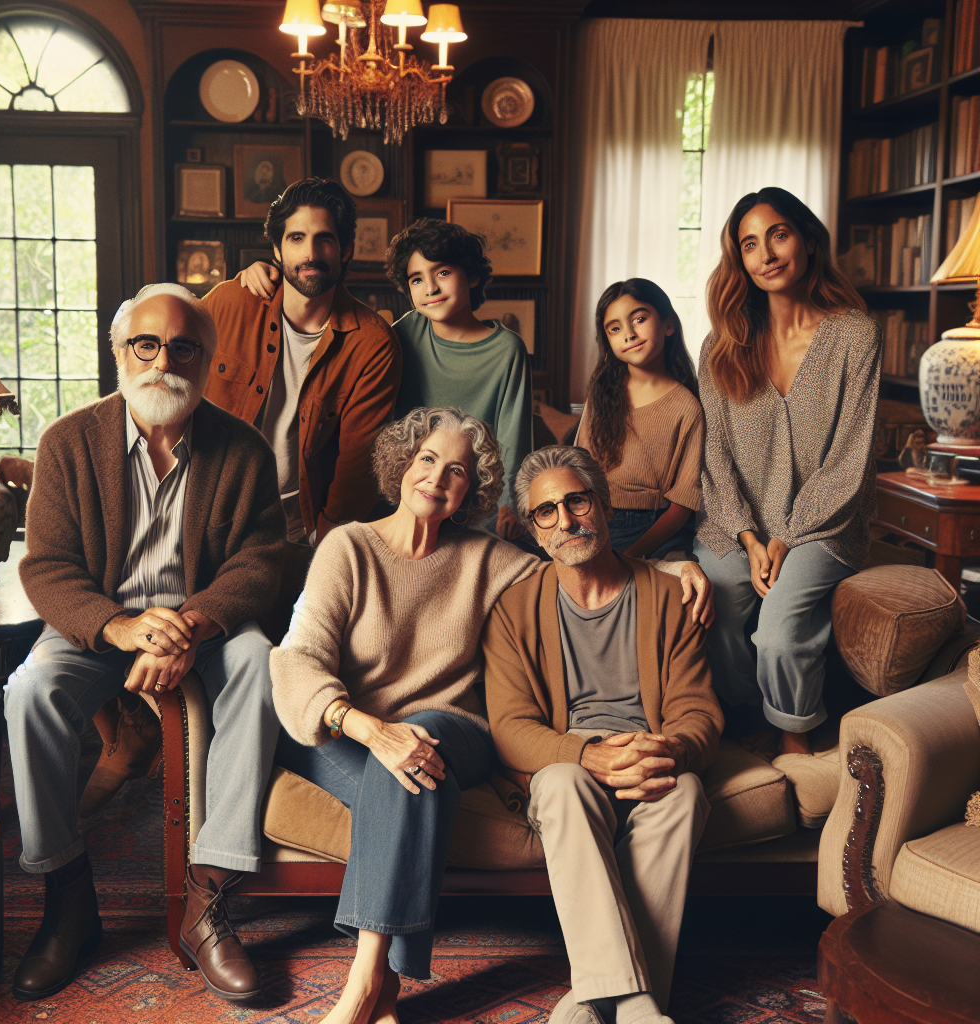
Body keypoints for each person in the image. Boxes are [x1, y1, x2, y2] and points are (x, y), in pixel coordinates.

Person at [269, 410, 713, 1024]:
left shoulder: (488, 557)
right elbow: (296, 662)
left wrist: (674, 567)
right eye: (427, 459)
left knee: (417, 751)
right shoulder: (347, 547)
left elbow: (576, 558)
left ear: (470, 489)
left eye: (457, 470)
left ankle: (367, 986)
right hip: (345, 725)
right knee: (400, 765)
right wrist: (372, 730)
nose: (437, 477)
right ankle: (379, 983)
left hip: (443, 730)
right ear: (402, 465)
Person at [6, 284, 286, 1003]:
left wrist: (191, 623)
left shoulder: (244, 448)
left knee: (259, 662)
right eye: (147, 344)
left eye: (184, 347)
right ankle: (68, 899)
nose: (165, 360)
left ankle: (208, 899)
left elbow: (260, 562)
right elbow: (46, 566)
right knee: (29, 692)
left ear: (208, 359)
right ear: (121, 352)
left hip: (203, 622)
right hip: (100, 622)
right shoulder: (68, 441)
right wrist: (119, 627)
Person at [484, 446, 723, 1024]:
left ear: (605, 506)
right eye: (546, 512)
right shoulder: (514, 610)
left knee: (687, 793)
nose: (565, 521)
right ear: (534, 530)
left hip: (648, 757)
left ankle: (590, 1004)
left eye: (576, 501)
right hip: (571, 764)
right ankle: (640, 1007)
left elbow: (699, 712)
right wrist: (587, 754)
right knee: (563, 783)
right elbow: (511, 728)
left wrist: (669, 747)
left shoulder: (670, 598)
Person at [693, 187, 880, 758]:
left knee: (777, 628)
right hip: (735, 523)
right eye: (750, 245)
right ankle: (748, 715)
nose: (767, 254)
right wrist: (750, 538)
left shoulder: (854, 336)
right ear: (739, 262)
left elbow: (851, 457)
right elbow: (715, 459)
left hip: (825, 524)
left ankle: (794, 733)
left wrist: (784, 539)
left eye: (778, 235)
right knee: (720, 601)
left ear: (806, 239)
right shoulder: (722, 346)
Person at [240, 217, 533, 541]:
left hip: (474, 502)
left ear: (473, 276)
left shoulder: (507, 349)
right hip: (400, 499)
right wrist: (264, 273)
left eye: (443, 273)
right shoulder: (403, 333)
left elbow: (513, 439)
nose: (430, 288)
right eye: (416, 279)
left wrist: (513, 508)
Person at [203, 176, 401, 552]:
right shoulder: (229, 303)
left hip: (297, 533)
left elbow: (357, 466)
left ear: (345, 250)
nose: (310, 253)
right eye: (296, 238)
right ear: (277, 249)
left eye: (324, 238)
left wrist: (323, 545)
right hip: (208, 517)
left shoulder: (372, 343)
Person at [576, 279, 703, 559]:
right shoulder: (600, 394)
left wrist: (631, 556)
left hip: (654, 525)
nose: (629, 334)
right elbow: (580, 467)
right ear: (607, 341)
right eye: (615, 328)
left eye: (640, 319)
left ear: (668, 325)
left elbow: (682, 505)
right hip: (594, 515)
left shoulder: (686, 407)